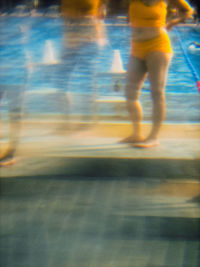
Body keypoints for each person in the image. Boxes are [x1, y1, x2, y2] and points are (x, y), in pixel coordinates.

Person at [121, 0, 193, 148]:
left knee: (157, 92)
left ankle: (153, 137)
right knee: (130, 92)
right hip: (136, 47)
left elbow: (188, 10)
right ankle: (137, 134)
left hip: (158, 45)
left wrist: (172, 22)